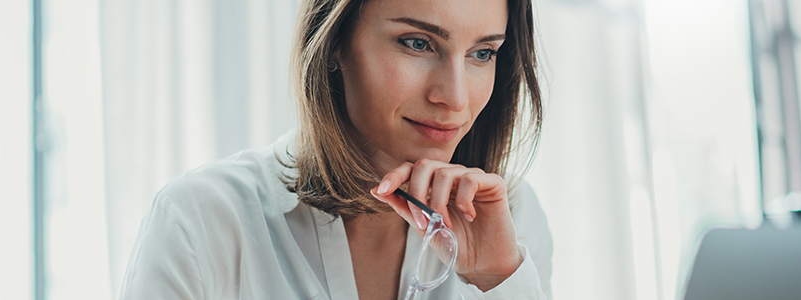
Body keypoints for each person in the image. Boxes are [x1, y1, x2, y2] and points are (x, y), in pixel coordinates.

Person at [118, 0, 551, 298]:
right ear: (334, 41)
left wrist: (497, 280)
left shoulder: (510, 216)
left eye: (482, 53)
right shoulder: (201, 221)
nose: (455, 98)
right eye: (417, 43)